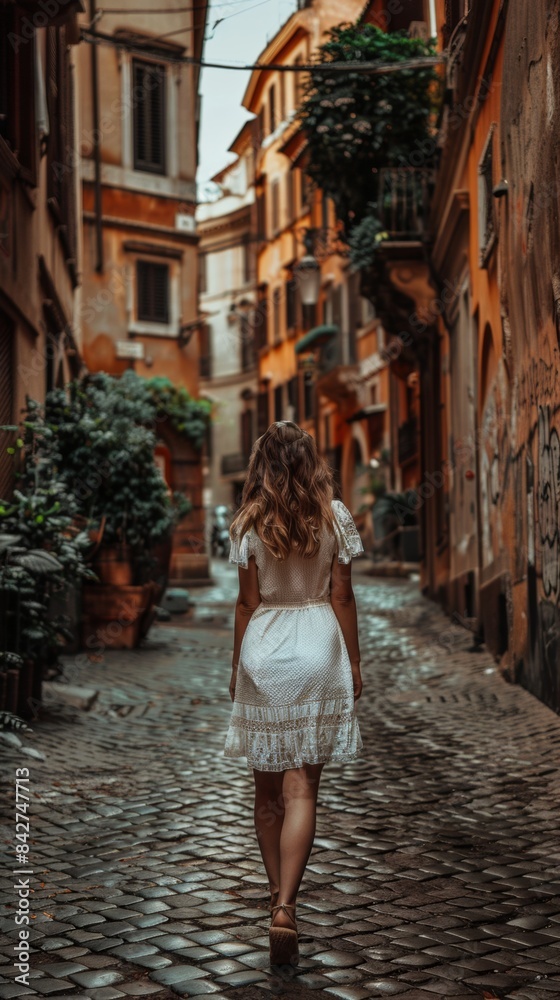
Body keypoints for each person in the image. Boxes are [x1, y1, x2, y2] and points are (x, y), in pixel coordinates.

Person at [224, 421, 364, 967]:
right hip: (318, 650)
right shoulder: (335, 517)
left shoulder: (249, 523)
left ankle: (274, 896)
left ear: (261, 464)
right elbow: (344, 595)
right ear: (310, 463)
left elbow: (246, 603)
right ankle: (287, 905)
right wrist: (353, 661)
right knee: (303, 787)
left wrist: (237, 666)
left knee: (266, 797)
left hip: (266, 650)